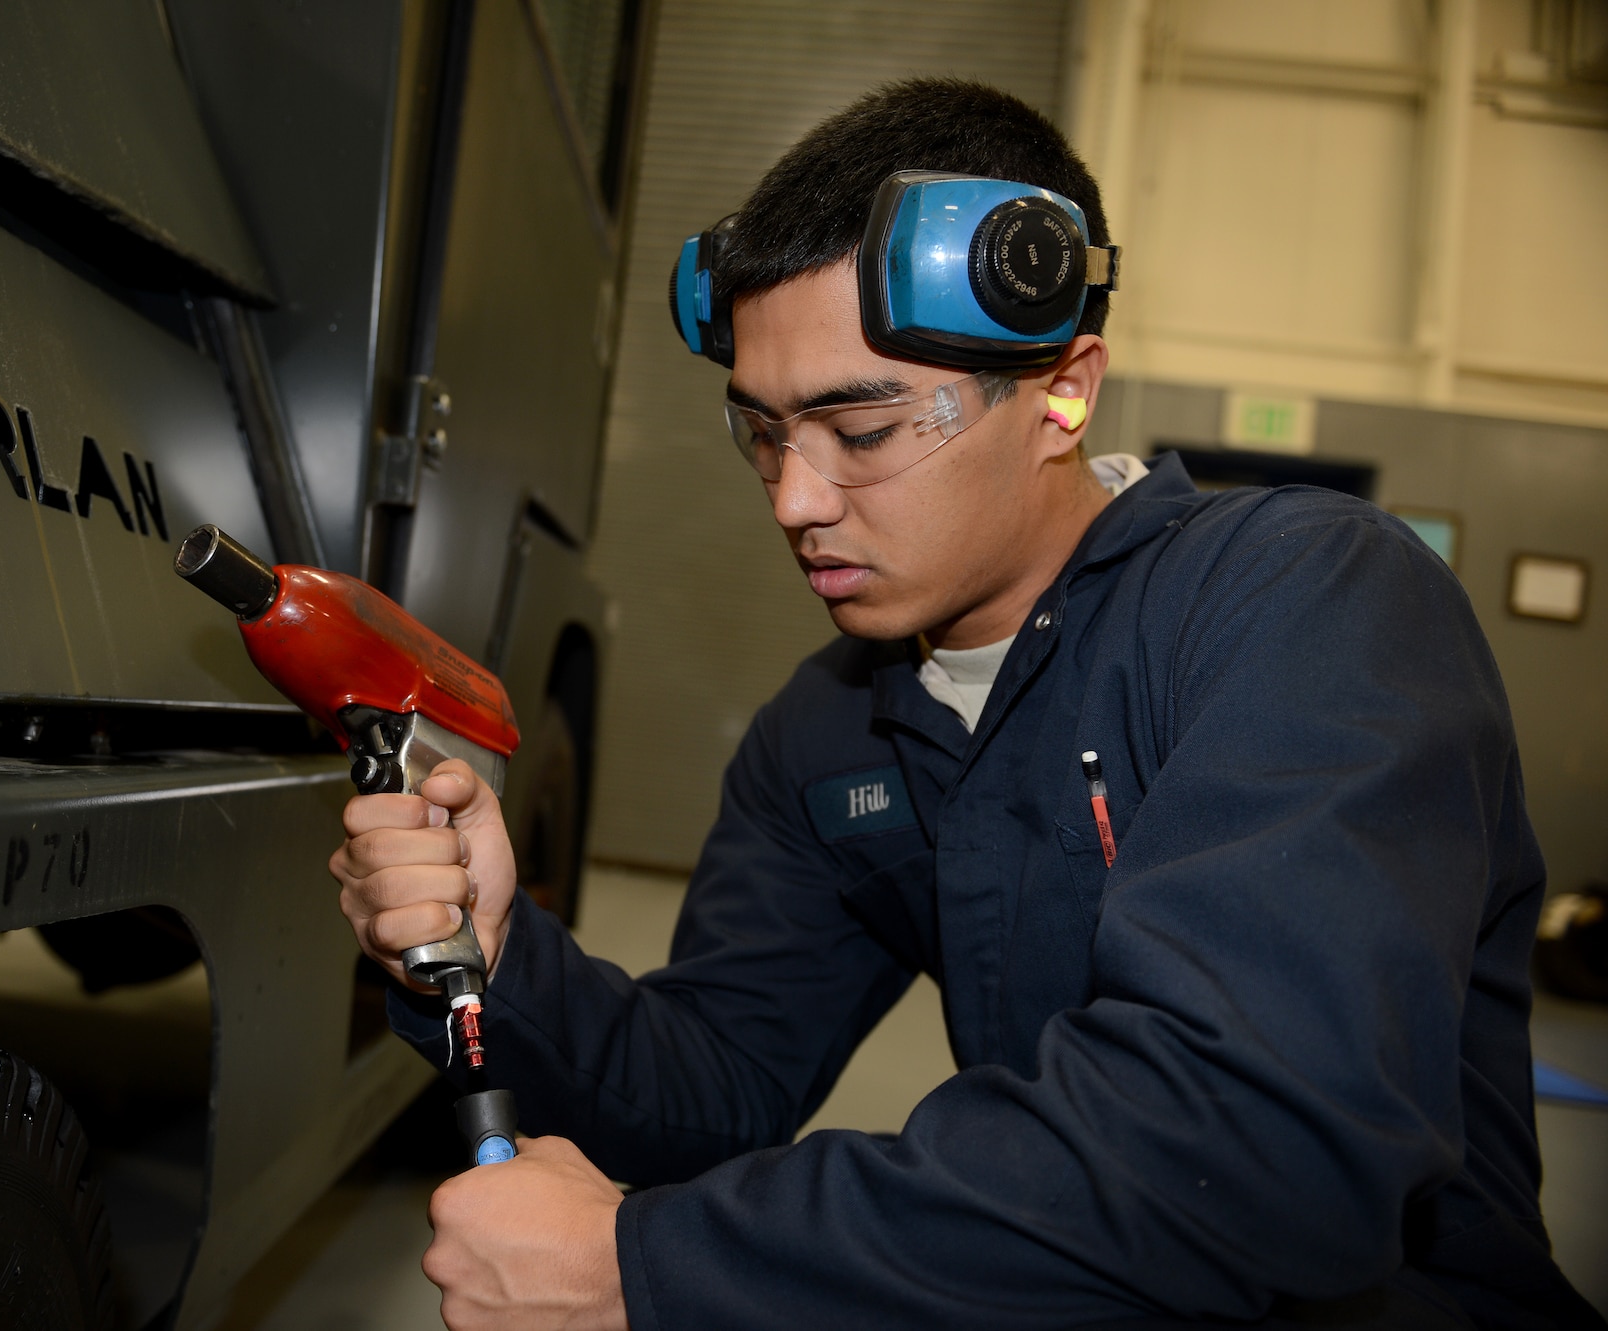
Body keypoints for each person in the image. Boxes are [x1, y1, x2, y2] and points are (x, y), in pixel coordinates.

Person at [329, 79, 1601, 1330]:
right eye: (763, 432)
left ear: (1062, 390)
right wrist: (497, 955)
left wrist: (649, 1263)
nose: (792, 499)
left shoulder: (1297, 603)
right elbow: (713, 1086)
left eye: (863, 429)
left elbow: (1263, 1150)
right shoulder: (827, 731)